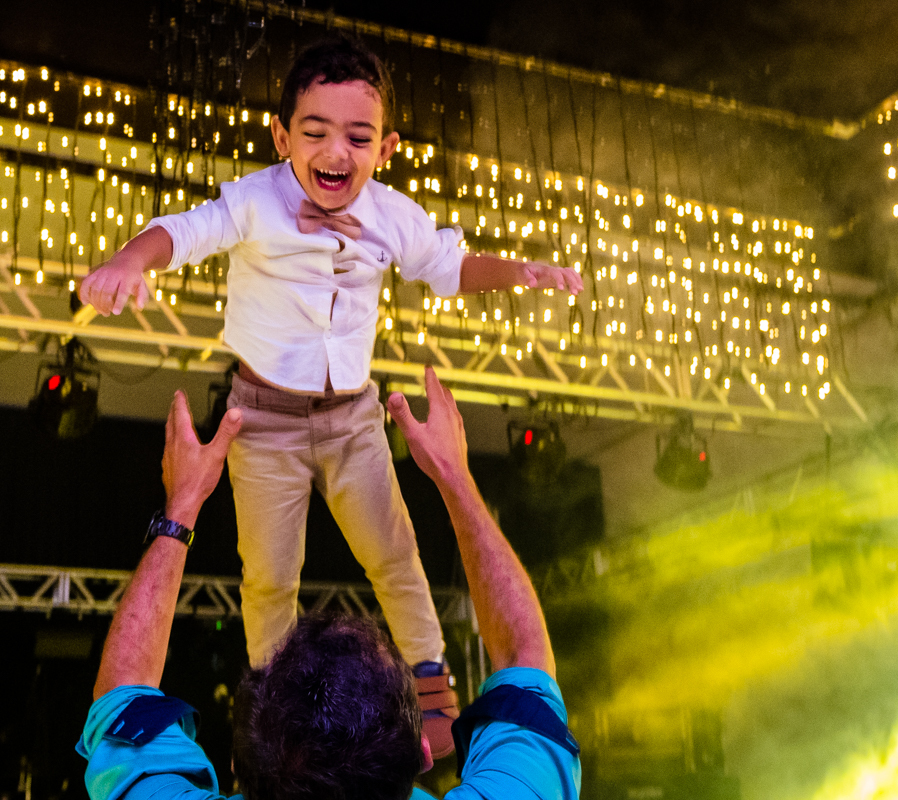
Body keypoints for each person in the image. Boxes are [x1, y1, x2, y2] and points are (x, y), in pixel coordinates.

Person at [79, 35, 583, 756]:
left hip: (352, 420)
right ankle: (276, 712)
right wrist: (131, 258)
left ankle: (432, 688)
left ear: (387, 147)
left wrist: (520, 271)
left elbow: (450, 265)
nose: (336, 151)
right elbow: (182, 232)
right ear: (282, 135)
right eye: (314, 132)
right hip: (264, 423)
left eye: (358, 136)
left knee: (396, 557)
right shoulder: (254, 201)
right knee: (269, 578)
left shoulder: (392, 215)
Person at [77, 366, 581, 800]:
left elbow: (124, 691)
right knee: (310, 574)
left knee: (322, 572)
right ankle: (424, 662)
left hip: (323, 415)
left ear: (239, 764)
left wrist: (179, 509)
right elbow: (525, 656)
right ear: (422, 752)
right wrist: (456, 479)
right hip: (290, 415)